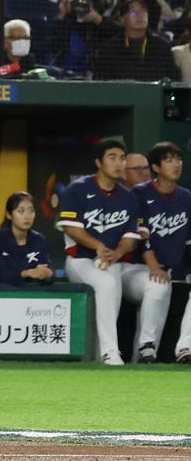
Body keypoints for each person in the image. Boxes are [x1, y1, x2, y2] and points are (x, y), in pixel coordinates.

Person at [57, 139, 142, 365]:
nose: (118, 163)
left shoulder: (128, 197)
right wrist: (98, 246)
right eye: (112, 157)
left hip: (111, 261)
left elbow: (130, 237)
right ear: (98, 162)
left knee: (110, 282)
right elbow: (70, 227)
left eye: (122, 158)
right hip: (80, 259)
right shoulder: (78, 189)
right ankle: (110, 352)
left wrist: (116, 252)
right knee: (107, 284)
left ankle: (101, 354)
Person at [129, 141, 190, 363]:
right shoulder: (140, 194)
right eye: (169, 160)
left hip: (167, 270)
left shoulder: (186, 197)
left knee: (161, 285)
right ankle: (146, 347)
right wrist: (154, 265)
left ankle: (184, 348)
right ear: (156, 167)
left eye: (178, 159)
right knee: (159, 284)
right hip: (135, 268)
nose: (176, 164)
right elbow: (140, 236)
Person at [94, 0, 178, 81]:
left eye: (144, 11)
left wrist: (172, 94)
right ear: (122, 19)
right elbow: (100, 84)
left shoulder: (162, 47)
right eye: (133, 12)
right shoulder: (109, 49)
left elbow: (175, 84)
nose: (140, 15)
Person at [0, 192, 55, 286]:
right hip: (0, 296)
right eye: (21, 211)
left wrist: (48, 274)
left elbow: (47, 268)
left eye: (31, 211)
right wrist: (27, 273)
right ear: (9, 215)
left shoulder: (38, 239)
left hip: (32, 296)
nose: (27, 216)